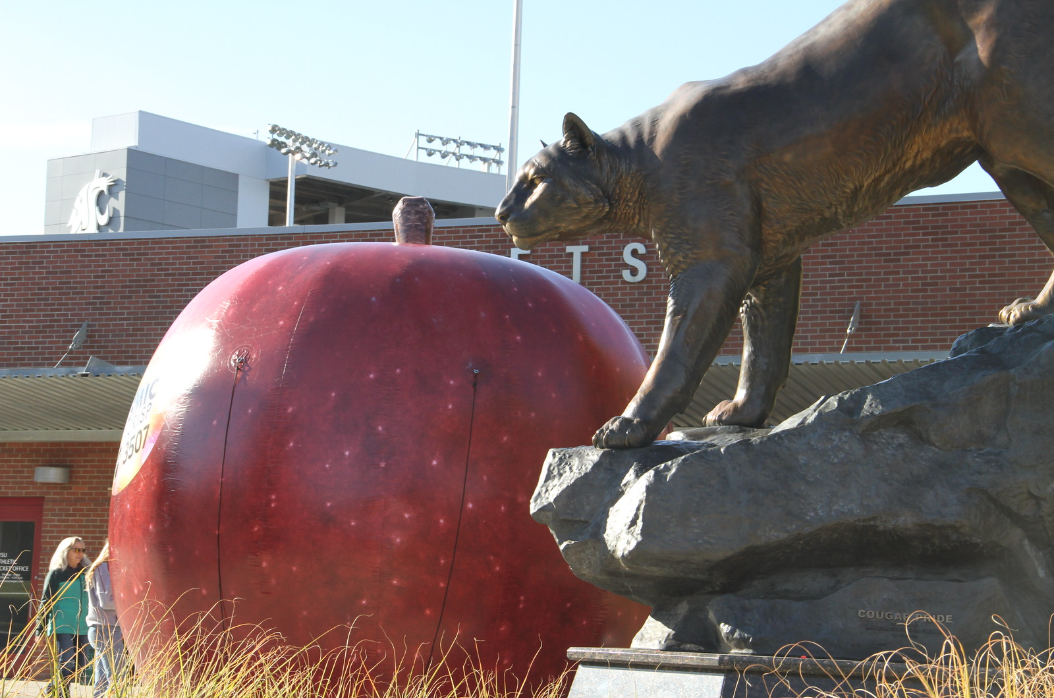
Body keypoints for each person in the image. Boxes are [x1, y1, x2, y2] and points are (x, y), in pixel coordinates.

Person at [38, 537, 92, 695]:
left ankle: (52, 691)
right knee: (67, 661)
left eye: (82, 550)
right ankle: (61, 694)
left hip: (82, 626)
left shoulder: (86, 572)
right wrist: (39, 630)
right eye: (76, 550)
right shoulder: (57, 574)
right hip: (62, 624)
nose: (80, 553)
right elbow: (45, 602)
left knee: (79, 665)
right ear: (65, 552)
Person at [85, 540, 125, 698]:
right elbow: (106, 601)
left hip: (105, 628)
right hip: (104, 628)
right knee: (117, 677)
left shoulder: (107, 568)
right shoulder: (103, 568)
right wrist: (128, 604)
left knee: (101, 682)